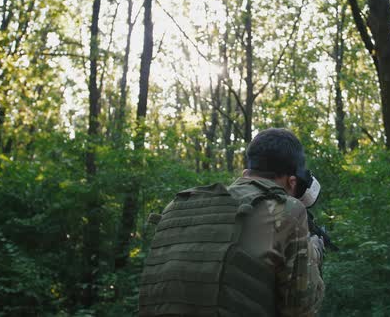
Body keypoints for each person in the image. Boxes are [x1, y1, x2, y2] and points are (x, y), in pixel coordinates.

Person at [139, 128, 325, 317]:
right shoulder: (289, 210)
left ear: (246, 172)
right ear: (292, 182)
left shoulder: (177, 206)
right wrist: (313, 256)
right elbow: (301, 309)